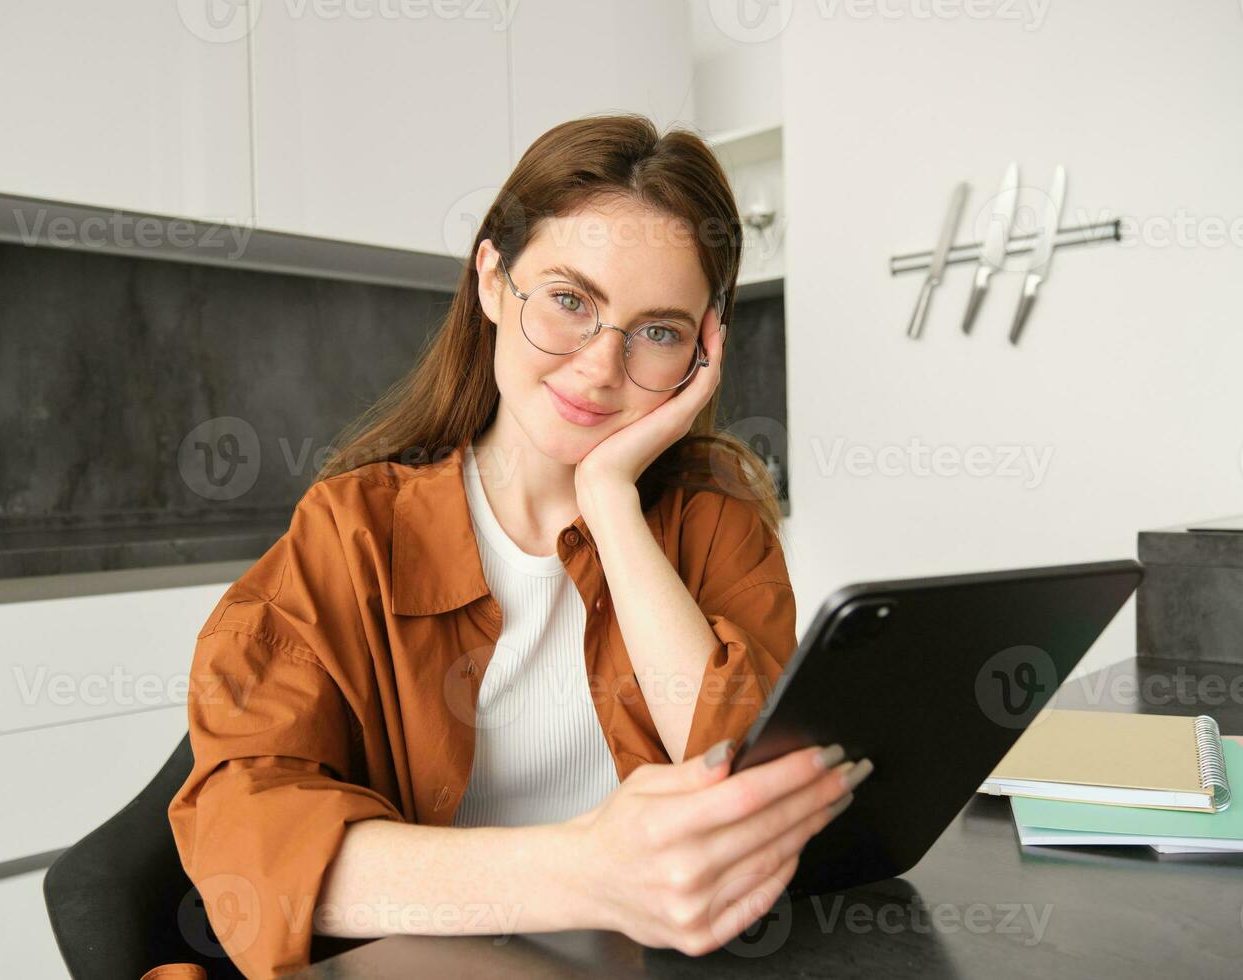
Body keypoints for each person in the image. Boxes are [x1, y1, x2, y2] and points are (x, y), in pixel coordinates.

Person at [157, 113, 872, 980]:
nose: (603, 369)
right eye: (571, 301)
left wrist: (608, 504)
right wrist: (586, 873)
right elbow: (246, 835)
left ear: (700, 354)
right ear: (493, 281)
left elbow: (741, 786)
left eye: (658, 331)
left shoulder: (716, 526)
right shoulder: (352, 535)